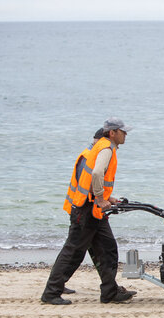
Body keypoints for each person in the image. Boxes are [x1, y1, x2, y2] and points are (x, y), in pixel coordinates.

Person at [41, 118, 137, 305]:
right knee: (73, 251)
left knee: (107, 249)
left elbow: (94, 179)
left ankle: (110, 292)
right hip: (86, 210)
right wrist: (101, 198)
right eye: (122, 131)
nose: (126, 135)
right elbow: (96, 173)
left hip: (92, 210)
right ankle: (51, 292)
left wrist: (107, 198)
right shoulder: (106, 149)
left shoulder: (102, 147)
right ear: (112, 133)